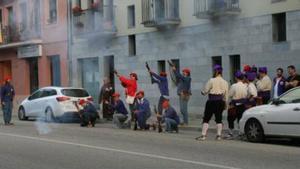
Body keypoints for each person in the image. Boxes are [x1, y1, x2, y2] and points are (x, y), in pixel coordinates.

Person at [197, 65, 229, 141]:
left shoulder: (211, 80)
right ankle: (218, 136)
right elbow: (226, 95)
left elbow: (205, 91)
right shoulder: (225, 82)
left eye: (214, 71)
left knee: (206, 118)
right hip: (220, 101)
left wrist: (203, 92)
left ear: (216, 71)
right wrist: (225, 104)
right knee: (219, 119)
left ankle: (203, 135)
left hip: (211, 101)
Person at [227, 71, 248, 139]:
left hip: (235, 105)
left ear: (236, 78)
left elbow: (230, 95)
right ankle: (241, 133)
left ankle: (231, 133)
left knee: (230, 118)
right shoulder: (245, 86)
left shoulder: (234, 85)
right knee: (240, 118)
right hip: (243, 104)